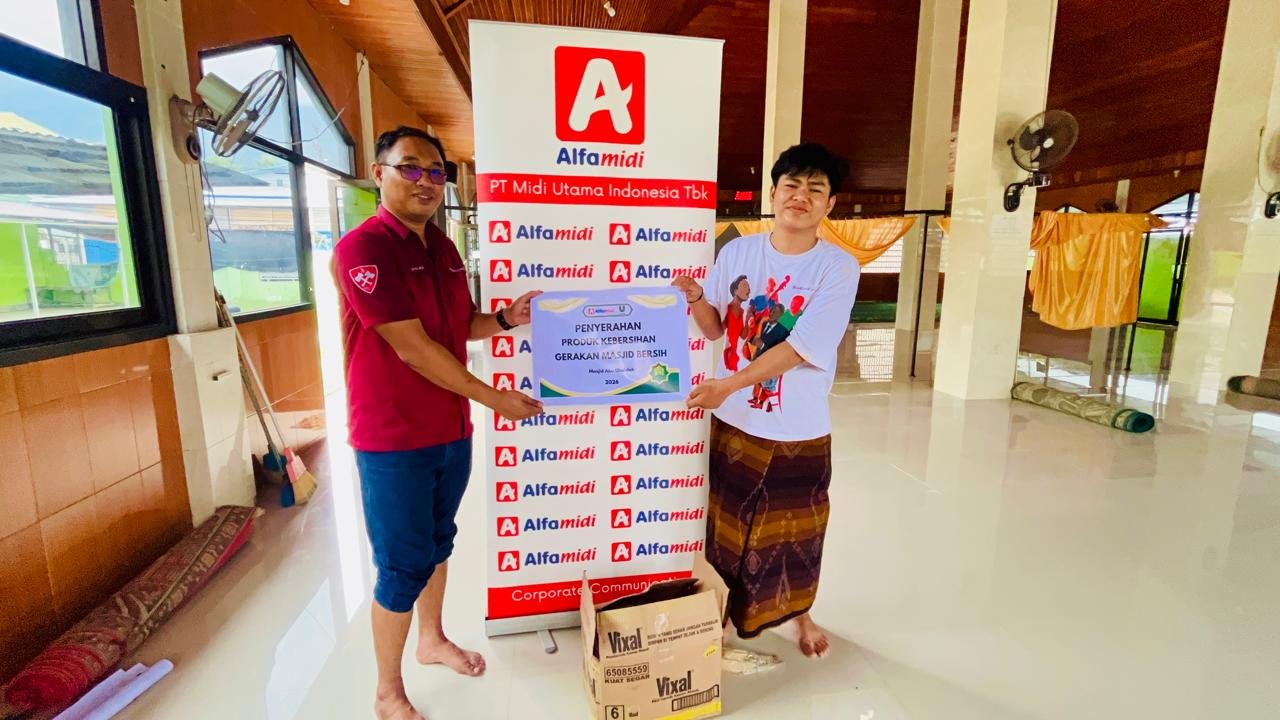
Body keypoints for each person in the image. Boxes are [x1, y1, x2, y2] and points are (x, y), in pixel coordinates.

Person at [332, 126, 543, 720]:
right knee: (402, 565)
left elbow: (458, 327)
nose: (425, 181)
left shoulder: (444, 248)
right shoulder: (363, 249)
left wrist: (505, 319)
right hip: (393, 439)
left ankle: (431, 639)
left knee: (437, 541)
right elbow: (414, 348)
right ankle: (387, 691)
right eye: (410, 168)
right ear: (379, 173)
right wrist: (493, 398)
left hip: (450, 432)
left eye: (435, 172)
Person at [673, 142, 859, 658]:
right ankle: (723, 612)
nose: (801, 196)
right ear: (773, 193)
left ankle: (799, 612)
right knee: (728, 526)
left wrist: (727, 385)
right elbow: (715, 329)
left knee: (796, 531)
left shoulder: (838, 268)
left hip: (797, 425)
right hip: (734, 420)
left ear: (829, 204)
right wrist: (696, 299)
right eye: (791, 185)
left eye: (815, 189)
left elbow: (799, 349)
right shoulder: (738, 252)